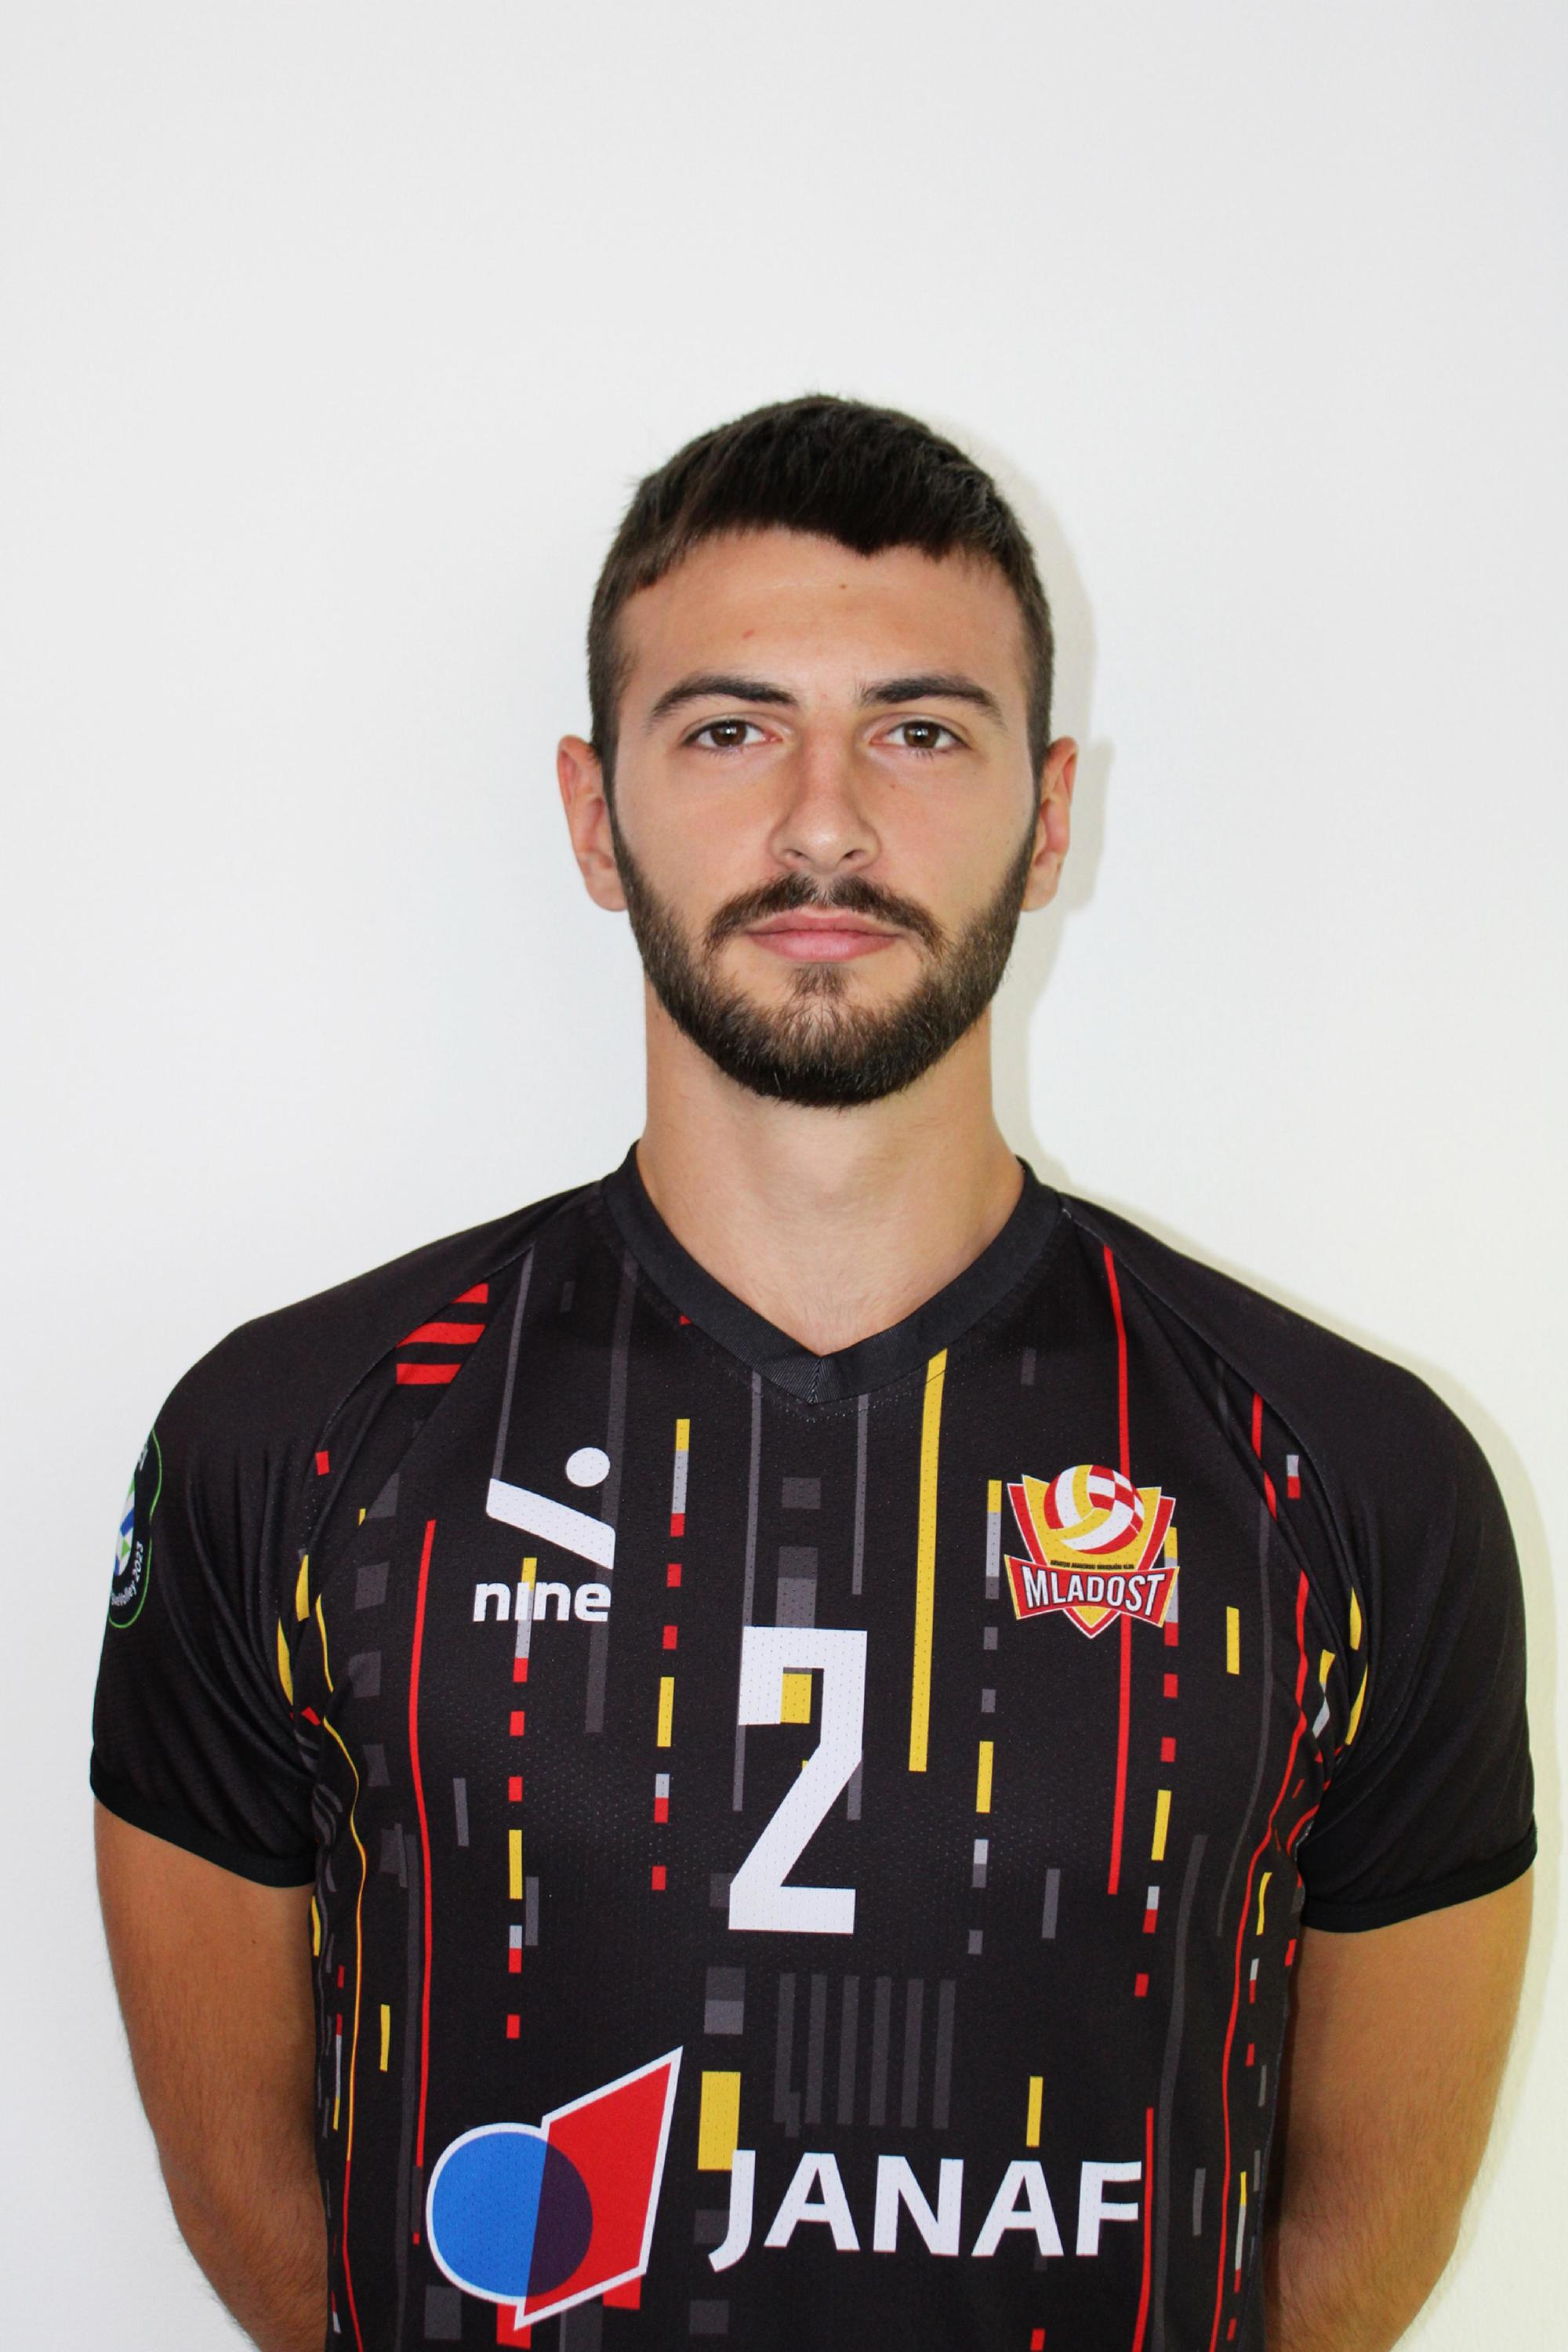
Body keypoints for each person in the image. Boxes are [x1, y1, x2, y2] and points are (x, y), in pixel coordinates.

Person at [92, 396, 1534, 2352]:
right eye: (730, 729)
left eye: (920, 732)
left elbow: (1358, 2230)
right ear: (593, 815)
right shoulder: (292, 1444)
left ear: (1050, 813)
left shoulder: (1348, 1478)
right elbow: (260, 2196)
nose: (826, 824)